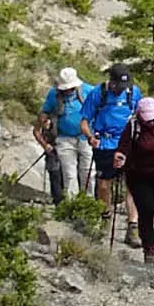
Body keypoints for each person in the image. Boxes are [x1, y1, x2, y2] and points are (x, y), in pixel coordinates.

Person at [80, 64, 143, 243]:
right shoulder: (97, 93)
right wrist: (90, 137)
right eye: (118, 86)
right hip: (104, 144)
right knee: (103, 185)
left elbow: (142, 114)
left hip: (128, 143)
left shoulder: (134, 92)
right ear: (111, 81)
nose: (121, 90)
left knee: (132, 185)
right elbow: (84, 121)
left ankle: (133, 227)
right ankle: (105, 218)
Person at [116, 97, 154, 263]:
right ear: (139, 114)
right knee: (146, 210)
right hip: (139, 176)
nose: (151, 121)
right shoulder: (132, 126)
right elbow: (123, 147)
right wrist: (120, 157)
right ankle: (149, 248)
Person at [39, 67, 93, 204]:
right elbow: (45, 111)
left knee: (87, 173)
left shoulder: (88, 91)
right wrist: (44, 120)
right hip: (64, 138)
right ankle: (71, 205)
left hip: (86, 137)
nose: (67, 90)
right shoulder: (53, 94)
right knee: (69, 174)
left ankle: (88, 203)